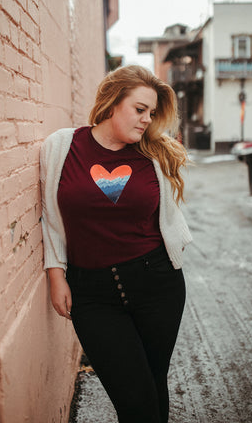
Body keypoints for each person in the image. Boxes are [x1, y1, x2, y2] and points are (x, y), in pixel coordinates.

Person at [40, 65, 193, 423]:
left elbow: (169, 220)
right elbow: (50, 215)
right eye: (140, 109)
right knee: (134, 399)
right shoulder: (62, 146)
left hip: (157, 284)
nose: (146, 120)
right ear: (112, 103)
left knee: (152, 386)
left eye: (152, 114)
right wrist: (55, 272)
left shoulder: (153, 154)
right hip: (91, 294)